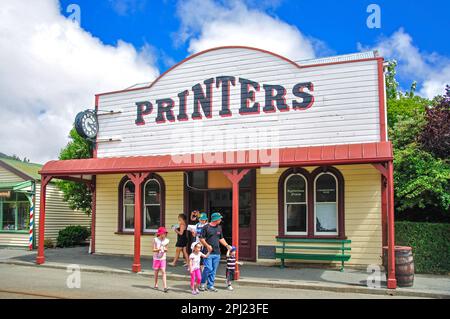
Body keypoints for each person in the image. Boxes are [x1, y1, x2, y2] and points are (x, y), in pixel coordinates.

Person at [199, 212, 232, 292]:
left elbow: (221, 238)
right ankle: (202, 284)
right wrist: (207, 245)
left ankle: (210, 285)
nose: (221, 220)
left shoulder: (219, 228)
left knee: (213, 270)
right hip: (208, 252)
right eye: (220, 218)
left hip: (217, 253)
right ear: (216, 219)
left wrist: (227, 245)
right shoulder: (206, 227)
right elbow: (201, 238)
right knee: (208, 268)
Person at [152, 227, 169, 292]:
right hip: (156, 258)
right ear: (160, 234)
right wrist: (159, 249)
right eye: (163, 233)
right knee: (156, 272)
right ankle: (156, 284)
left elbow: (166, 249)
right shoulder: (155, 240)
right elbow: (153, 249)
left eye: (165, 233)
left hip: (163, 258)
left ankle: (165, 287)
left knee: (163, 271)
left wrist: (164, 249)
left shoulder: (167, 240)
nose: (164, 235)